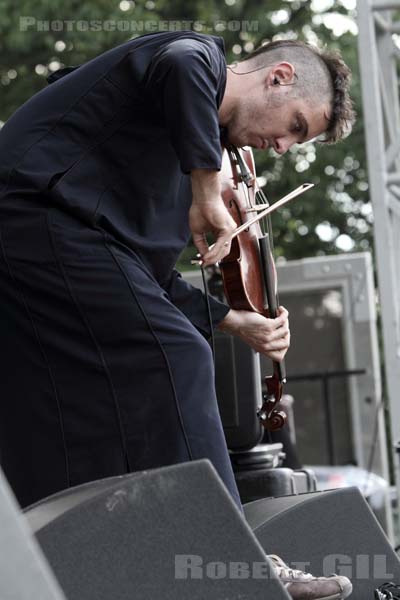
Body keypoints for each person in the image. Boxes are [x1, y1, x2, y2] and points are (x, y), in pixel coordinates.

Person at [0, 30, 354, 599]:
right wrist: (207, 188)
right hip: (34, 214)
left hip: (47, 250)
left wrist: (231, 318)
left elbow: (145, 278)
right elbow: (185, 63)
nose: (284, 147)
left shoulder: (177, 173)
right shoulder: (197, 61)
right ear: (279, 76)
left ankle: (70, 574)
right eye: (295, 126)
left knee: (57, 419)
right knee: (179, 356)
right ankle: (231, 557)